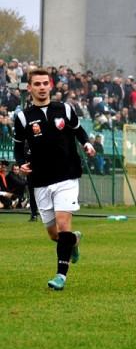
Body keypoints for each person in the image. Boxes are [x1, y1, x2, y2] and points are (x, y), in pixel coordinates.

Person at [13, 69, 96, 290]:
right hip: (40, 180)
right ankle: (73, 241)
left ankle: (60, 275)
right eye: (36, 84)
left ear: (51, 86)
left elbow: (80, 132)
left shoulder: (65, 109)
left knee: (63, 223)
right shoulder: (23, 117)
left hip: (67, 176)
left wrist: (87, 144)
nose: (41, 87)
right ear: (29, 88)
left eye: (44, 83)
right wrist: (20, 163)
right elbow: (18, 149)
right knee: (54, 234)